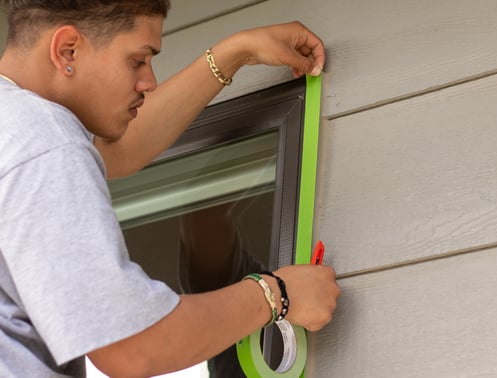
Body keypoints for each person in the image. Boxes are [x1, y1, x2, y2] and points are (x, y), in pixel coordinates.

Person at [0, 1, 340, 377]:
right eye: (137, 60)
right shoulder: (44, 141)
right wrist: (276, 294)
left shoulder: (15, 128)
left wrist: (235, 53)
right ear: (67, 50)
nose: (149, 81)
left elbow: (120, 148)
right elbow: (132, 346)